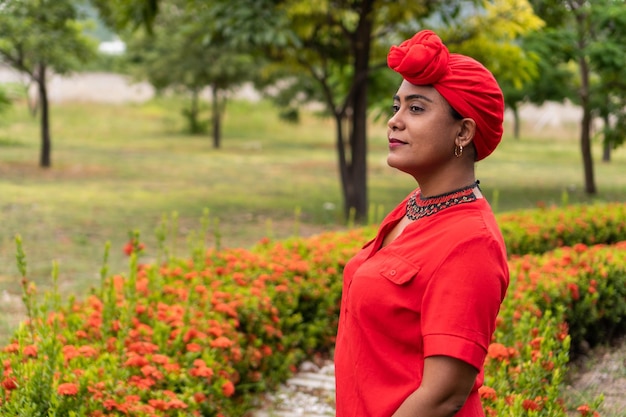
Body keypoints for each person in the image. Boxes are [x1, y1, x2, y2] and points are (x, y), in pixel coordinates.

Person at [334, 30, 510, 417]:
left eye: (416, 109)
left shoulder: (470, 243)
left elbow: (443, 396)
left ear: (462, 131)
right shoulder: (415, 206)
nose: (394, 122)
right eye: (396, 106)